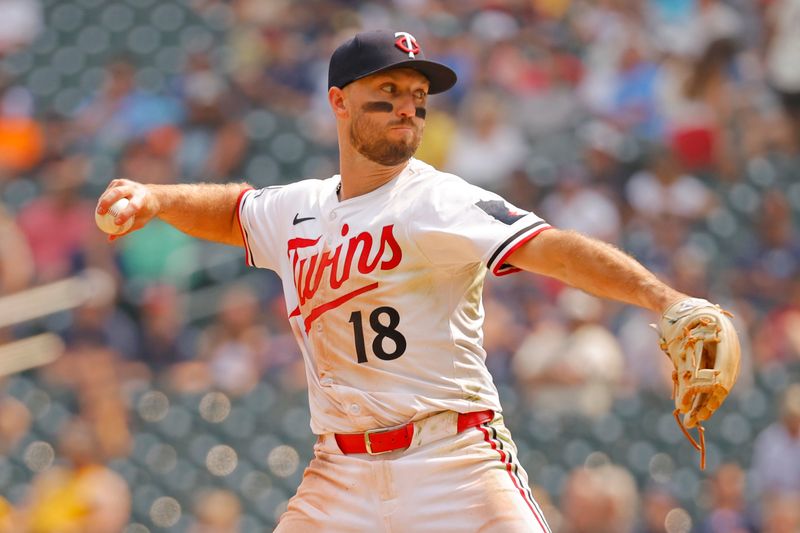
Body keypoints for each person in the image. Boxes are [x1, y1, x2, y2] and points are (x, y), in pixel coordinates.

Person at [97, 29, 704, 532]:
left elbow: (553, 249)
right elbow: (235, 210)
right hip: (339, 473)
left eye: (418, 95)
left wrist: (664, 298)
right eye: (387, 91)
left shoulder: (437, 199)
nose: (408, 106)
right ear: (338, 102)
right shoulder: (298, 208)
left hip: (453, 460)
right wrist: (155, 197)